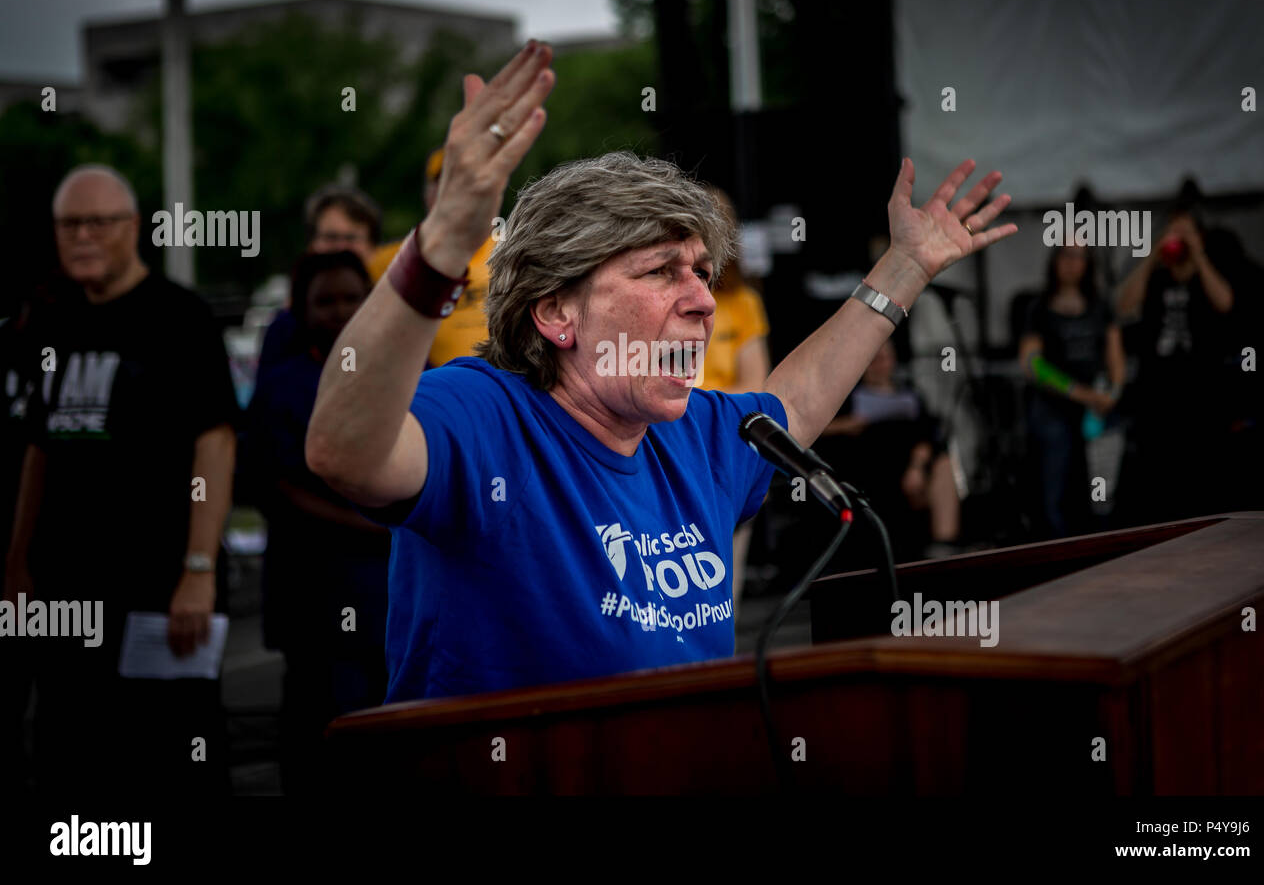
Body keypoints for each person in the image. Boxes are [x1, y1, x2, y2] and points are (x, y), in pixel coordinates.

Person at [304, 41, 1017, 702]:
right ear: (557, 313)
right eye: (661, 272)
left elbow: (794, 402)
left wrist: (905, 267)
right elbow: (344, 451)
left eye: (704, 274)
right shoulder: (484, 414)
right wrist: (441, 247)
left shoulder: (696, 434)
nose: (704, 300)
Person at [3, 165, 239, 793]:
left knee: (169, 758)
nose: (81, 236)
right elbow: (39, 450)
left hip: (155, 592)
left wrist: (197, 570)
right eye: (68, 224)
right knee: (72, 756)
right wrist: (17, 564)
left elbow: (214, 442)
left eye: (96, 222)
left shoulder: (177, 317)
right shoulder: (51, 321)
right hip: (66, 593)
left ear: (132, 228)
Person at [242, 251, 389, 793]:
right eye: (324, 300)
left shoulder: (403, 372)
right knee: (319, 732)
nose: (339, 310)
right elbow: (269, 486)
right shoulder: (282, 386)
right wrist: (371, 524)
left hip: (386, 594)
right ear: (300, 309)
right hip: (312, 593)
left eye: (351, 297)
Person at [1114, 209, 1234, 524]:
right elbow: (1124, 305)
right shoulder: (1155, 274)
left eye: (1185, 233)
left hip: (1201, 397)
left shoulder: (1210, 271)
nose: (1178, 239)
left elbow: (1225, 303)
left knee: (1201, 483)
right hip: (1156, 398)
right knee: (1158, 485)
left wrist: (1198, 256)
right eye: (1173, 232)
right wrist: (1154, 255)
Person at [696, 186, 771, 606]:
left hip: (724, 438)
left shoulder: (743, 302)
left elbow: (755, 385)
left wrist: (700, 402)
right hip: (668, 435)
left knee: (727, 570)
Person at [1018, 240, 1125, 537]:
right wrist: (1079, 393)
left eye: (1079, 256)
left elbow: (1117, 360)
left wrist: (1110, 394)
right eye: (1065, 254)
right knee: (1055, 495)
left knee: (1101, 495)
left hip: (1096, 412)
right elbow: (1032, 365)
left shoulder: (1100, 306)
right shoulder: (1038, 308)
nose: (1071, 262)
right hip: (1054, 409)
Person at [819, 337, 960, 561]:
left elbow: (929, 435)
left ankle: (943, 546)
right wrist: (848, 425)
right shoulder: (847, 397)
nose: (880, 364)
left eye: (884, 358)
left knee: (943, 464)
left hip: (911, 467)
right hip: (869, 467)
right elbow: (815, 431)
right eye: (873, 359)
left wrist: (916, 466)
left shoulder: (910, 395)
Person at [367, 147, 497, 367]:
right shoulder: (386, 261)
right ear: (428, 194)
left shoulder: (513, 249)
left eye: (467, 181)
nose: (458, 191)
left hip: (506, 390)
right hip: (426, 391)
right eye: (446, 182)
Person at [254, 184, 383, 388]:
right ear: (312, 244)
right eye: (331, 237)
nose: (341, 247)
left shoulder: (397, 321)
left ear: (372, 247)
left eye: (351, 238)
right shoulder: (284, 329)